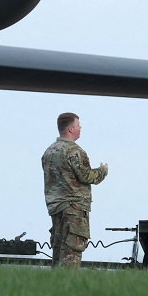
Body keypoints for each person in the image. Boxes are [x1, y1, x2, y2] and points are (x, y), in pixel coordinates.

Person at [41, 112, 108, 269]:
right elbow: (87, 176)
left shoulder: (49, 152)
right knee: (71, 252)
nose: (80, 127)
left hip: (55, 207)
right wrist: (103, 170)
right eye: (78, 125)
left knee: (58, 253)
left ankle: (54, 288)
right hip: (74, 209)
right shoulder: (74, 151)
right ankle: (67, 290)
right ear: (71, 129)